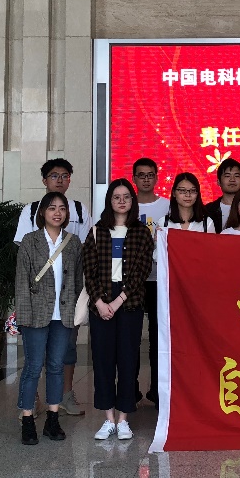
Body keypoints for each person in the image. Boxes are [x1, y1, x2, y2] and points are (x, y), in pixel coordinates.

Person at [13, 158, 92, 417]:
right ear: (44, 180)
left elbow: (84, 252)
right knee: (35, 359)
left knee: (66, 352)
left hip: (67, 300)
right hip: (38, 302)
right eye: (54, 175)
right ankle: (33, 401)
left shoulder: (79, 209)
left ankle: (64, 396)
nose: (60, 180)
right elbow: (24, 260)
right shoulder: (30, 211)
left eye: (65, 175)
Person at [83, 179, 154, 442]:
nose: (121, 201)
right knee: (103, 360)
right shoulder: (97, 231)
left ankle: (123, 419)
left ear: (132, 201)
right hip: (101, 301)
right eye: (116, 197)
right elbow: (88, 271)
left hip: (129, 302)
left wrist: (117, 301)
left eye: (126, 197)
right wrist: (100, 302)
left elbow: (141, 272)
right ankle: (108, 418)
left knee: (127, 360)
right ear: (109, 201)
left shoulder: (141, 232)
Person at [132, 158, 170, 406]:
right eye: (141, 175)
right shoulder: (127, 204)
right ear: (134, 178)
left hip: (160, 280)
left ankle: (157, 390)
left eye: (150, 175)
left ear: (156, 178)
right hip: (134, 280)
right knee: (132, 336)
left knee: (158, 336)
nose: (146, 179)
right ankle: (131, 390)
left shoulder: (167, 206)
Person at [203, 159, 240, 233]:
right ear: (218, 181)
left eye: (236, 176)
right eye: (227, 176)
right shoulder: (208, 210)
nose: (232, 179)